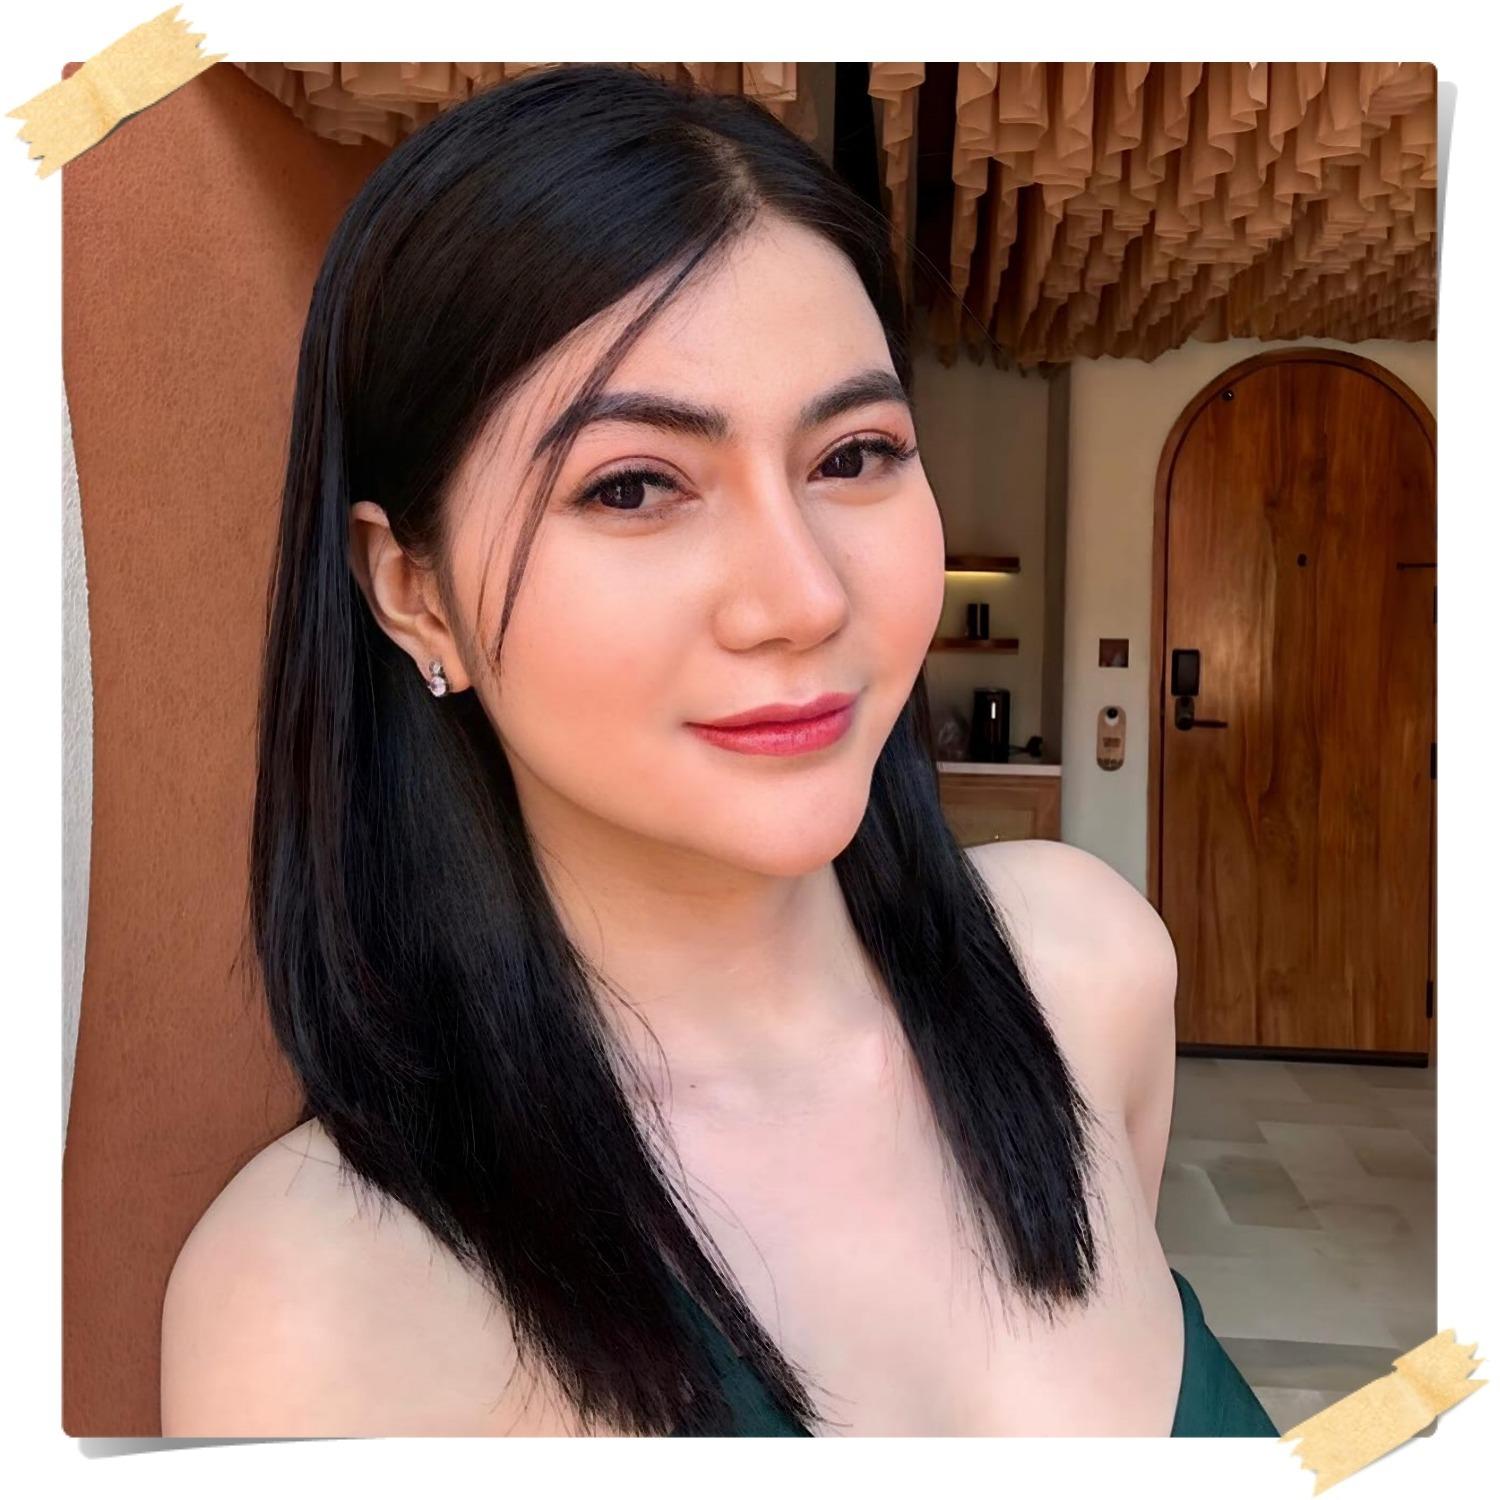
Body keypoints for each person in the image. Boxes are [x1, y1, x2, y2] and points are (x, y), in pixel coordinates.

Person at [158, 61, 1277, 1440]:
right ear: (414, 591)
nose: (803, 597)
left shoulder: (1087, 975)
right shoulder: (322, 1312)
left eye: (854, 456)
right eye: (635, 485)